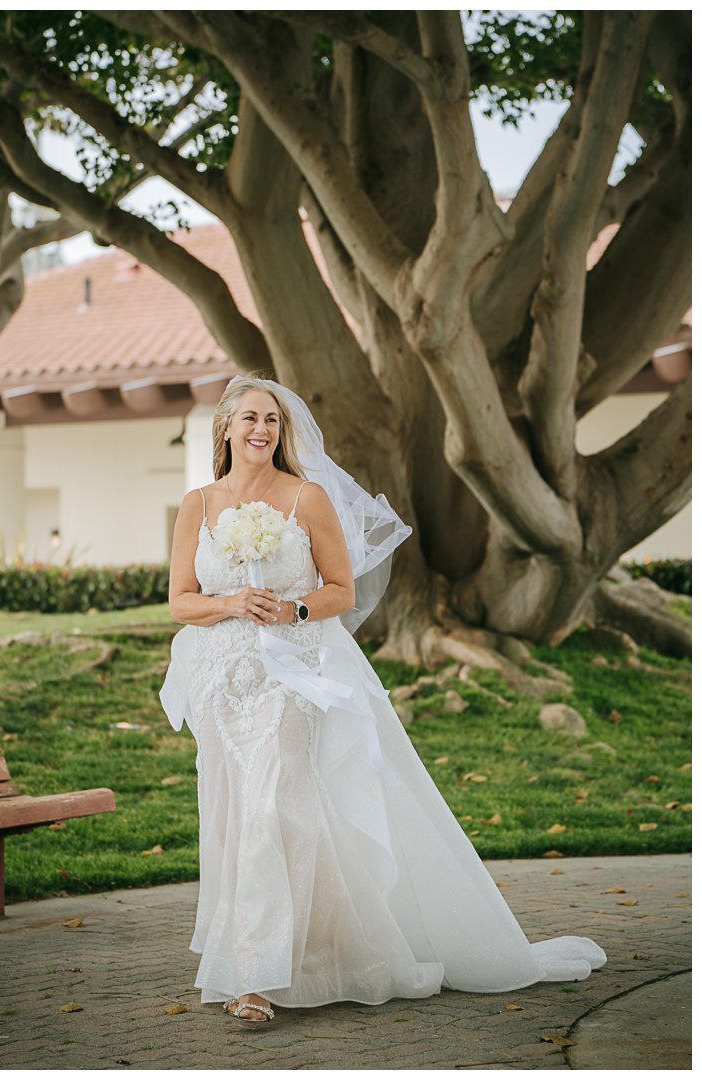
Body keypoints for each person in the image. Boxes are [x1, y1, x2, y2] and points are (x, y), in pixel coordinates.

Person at [161, 375, 605, 1024]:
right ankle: (309, 950)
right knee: (237, 813)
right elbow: (179, 599)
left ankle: (255, 977)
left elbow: (342, 588)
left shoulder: (306, 497)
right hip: (224, 682)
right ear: (225, 426)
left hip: (295, 673)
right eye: (251, 417)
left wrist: (295, 606)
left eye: (273, 421)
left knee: (271, 806)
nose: (262, 429)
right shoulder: (197, 505)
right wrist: (230, 602)